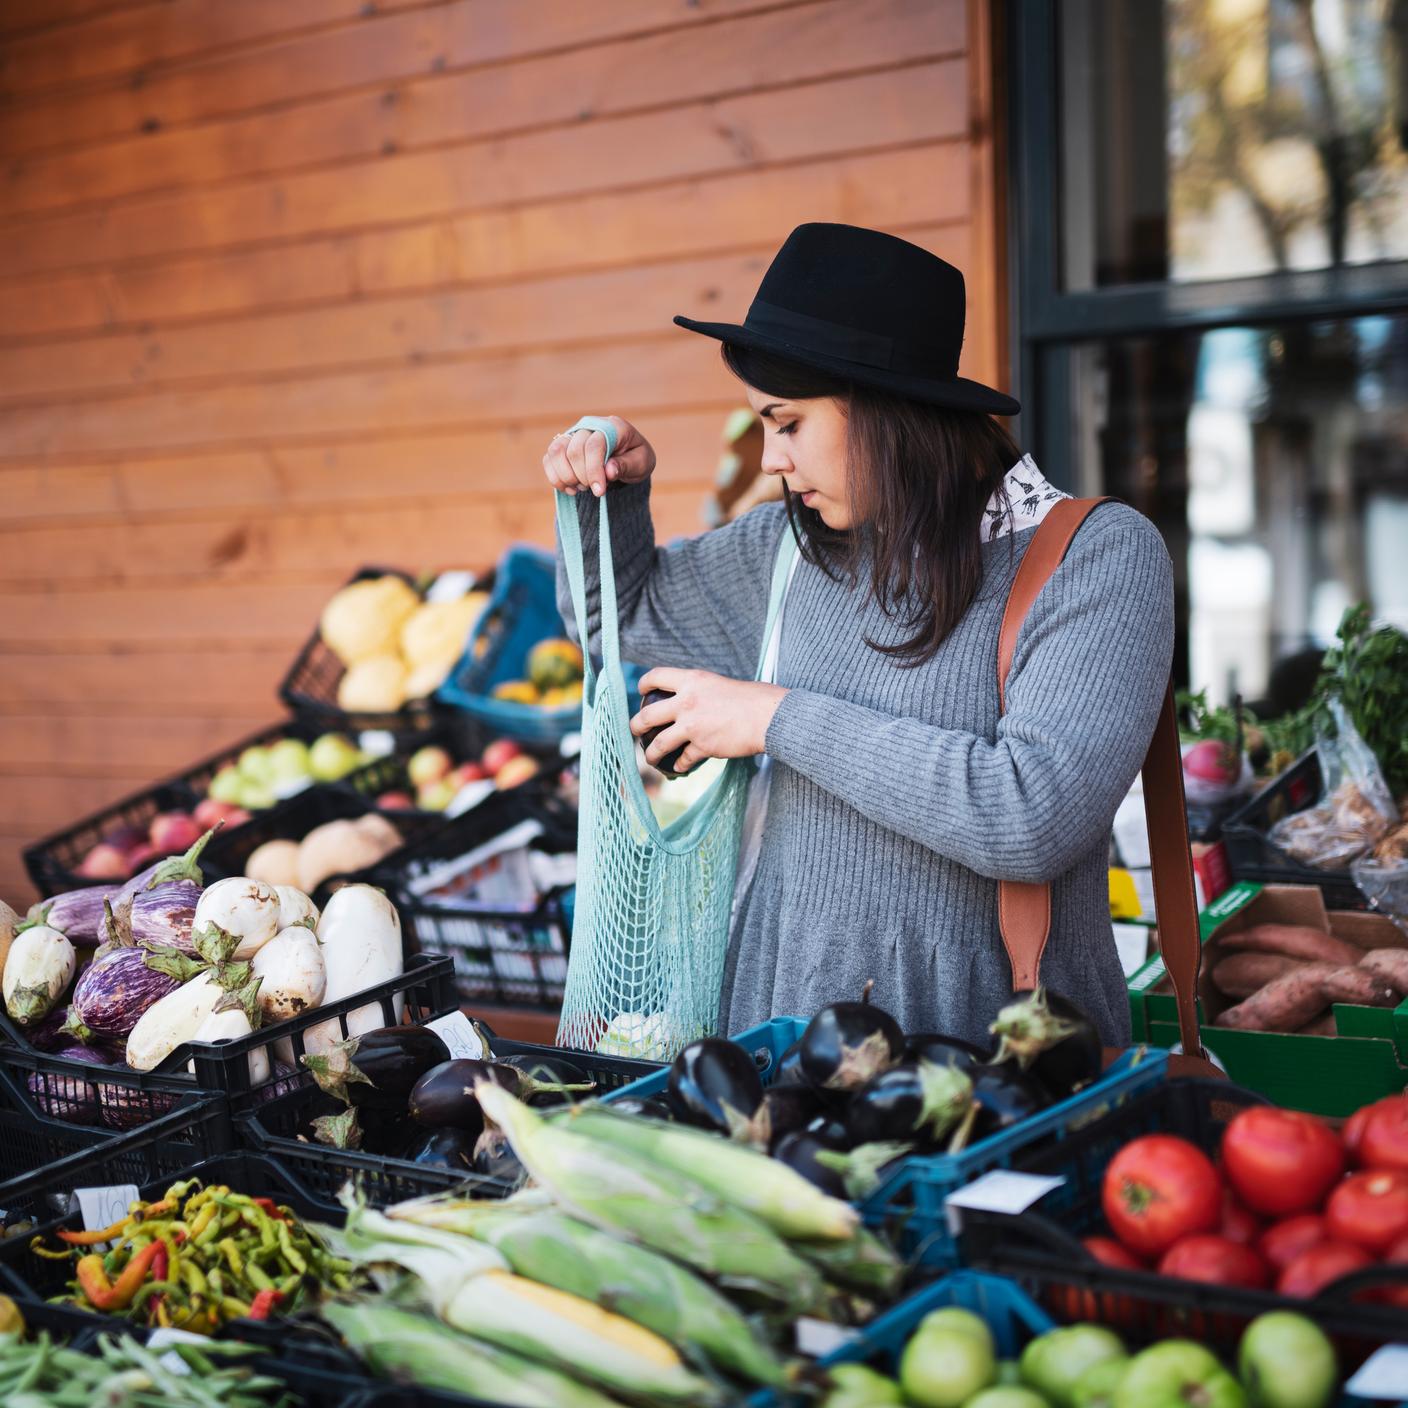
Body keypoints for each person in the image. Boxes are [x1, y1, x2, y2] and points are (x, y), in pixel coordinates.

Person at [543, 223, 1173, 1047]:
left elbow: (1032, 816)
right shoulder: (788, 551)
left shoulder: (1096, 556)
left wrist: (775, 718)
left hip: (987, 1070)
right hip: (770, 1054)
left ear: (884, 412)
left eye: (789, 422)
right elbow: (614, 619)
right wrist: (610, 493)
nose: (770, 458)